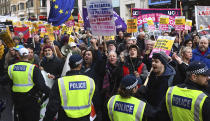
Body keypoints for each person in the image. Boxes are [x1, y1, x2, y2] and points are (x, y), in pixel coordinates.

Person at [43, 54, 95, 121]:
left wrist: (47, 119)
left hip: (65, 117)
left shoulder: (60, 82)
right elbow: (95, 101)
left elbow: (52, 106)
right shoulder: (90, 81)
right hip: (84, 117)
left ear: (69, 64)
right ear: (80, 64)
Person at [7, 47, 50, 121]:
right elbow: (41, 86)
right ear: (28, 56)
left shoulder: (11, 68)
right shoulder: (33, 68)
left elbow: (8, 81)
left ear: (19, 56)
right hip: (31, 101)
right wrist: (50, 92)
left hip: (17, 100)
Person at [138, 51, 176, 121]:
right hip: (150, 113)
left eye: (156, 61)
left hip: (163, 115)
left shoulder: (170, 78)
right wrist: (143, 91)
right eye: (152, 61)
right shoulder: (152, 75)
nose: (153, 63)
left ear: (163, 63)